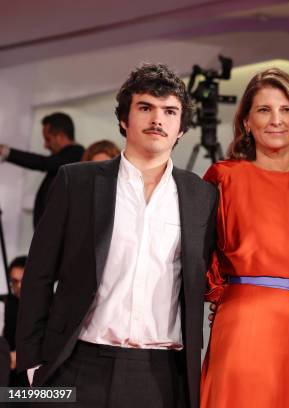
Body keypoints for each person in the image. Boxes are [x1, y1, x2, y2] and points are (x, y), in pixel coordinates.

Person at [16, 63, 218, 408]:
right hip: (74, 363)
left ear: (182, 127)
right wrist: (33, 364)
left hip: (163, 373)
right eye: (145, 108)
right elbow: (38, 275)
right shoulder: (75, 181)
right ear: (125, 119)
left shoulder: (203, 196)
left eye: (170, 111)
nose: (158, 119)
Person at [200, 68, 289, 408]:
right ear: (246, 121)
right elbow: (199, 255)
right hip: (243, 325)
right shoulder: (224, 177)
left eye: (286, 109)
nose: (276, 120)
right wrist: (226, 297)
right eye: (264, 110)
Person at [0, 112, 84, 227]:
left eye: (48, 139)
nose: (45, 145)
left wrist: (6, 152)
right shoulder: (64, 159)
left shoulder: (76, 153)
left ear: (61, 136)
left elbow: (43, 163)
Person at [2, 255, 28, 386]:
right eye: (14, 281)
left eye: (22, 281)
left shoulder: (49, 305)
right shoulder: (8, 303)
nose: (18, 286)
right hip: (8, 369)